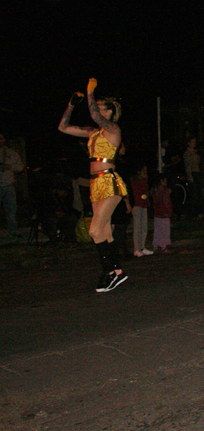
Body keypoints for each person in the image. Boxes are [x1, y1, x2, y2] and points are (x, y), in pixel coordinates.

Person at [58, 79, 129, 292]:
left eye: (100, 107)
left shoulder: (113, 129)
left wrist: (90, 92)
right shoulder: (93, 132)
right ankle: (117, 272)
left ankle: (109, 272)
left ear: (109, 112)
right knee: (105, 231)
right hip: (95, 183)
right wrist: (71, 105)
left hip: (109, 181)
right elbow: (63, 127)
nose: (96, 110)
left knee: (95, 230)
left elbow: (95, 116)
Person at [0, 133, 24, 238]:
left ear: (4, 140)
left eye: (0, 138)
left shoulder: (11, 153)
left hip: (8, 185)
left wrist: (9, 166)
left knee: (11, 209)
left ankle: (13, 230)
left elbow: (20, 167)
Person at [130, 164, 153, 257]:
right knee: (137, 227)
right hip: (137, 205)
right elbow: (137, 194)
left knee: (144, 227)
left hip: (143, 205)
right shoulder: (135, 182)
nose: (145, 173)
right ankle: (136, 249)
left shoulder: (144, 181)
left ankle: (142, 247)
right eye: (144, 171)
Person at [152, 174, 173, 253]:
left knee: (158, 229)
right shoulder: (164, 191)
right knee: (165, 230)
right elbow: (165, 202)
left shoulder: (156, 190)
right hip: (163, 212)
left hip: (158, 213)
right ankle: (163, 246)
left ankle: (156, 245)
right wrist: (168, 211)